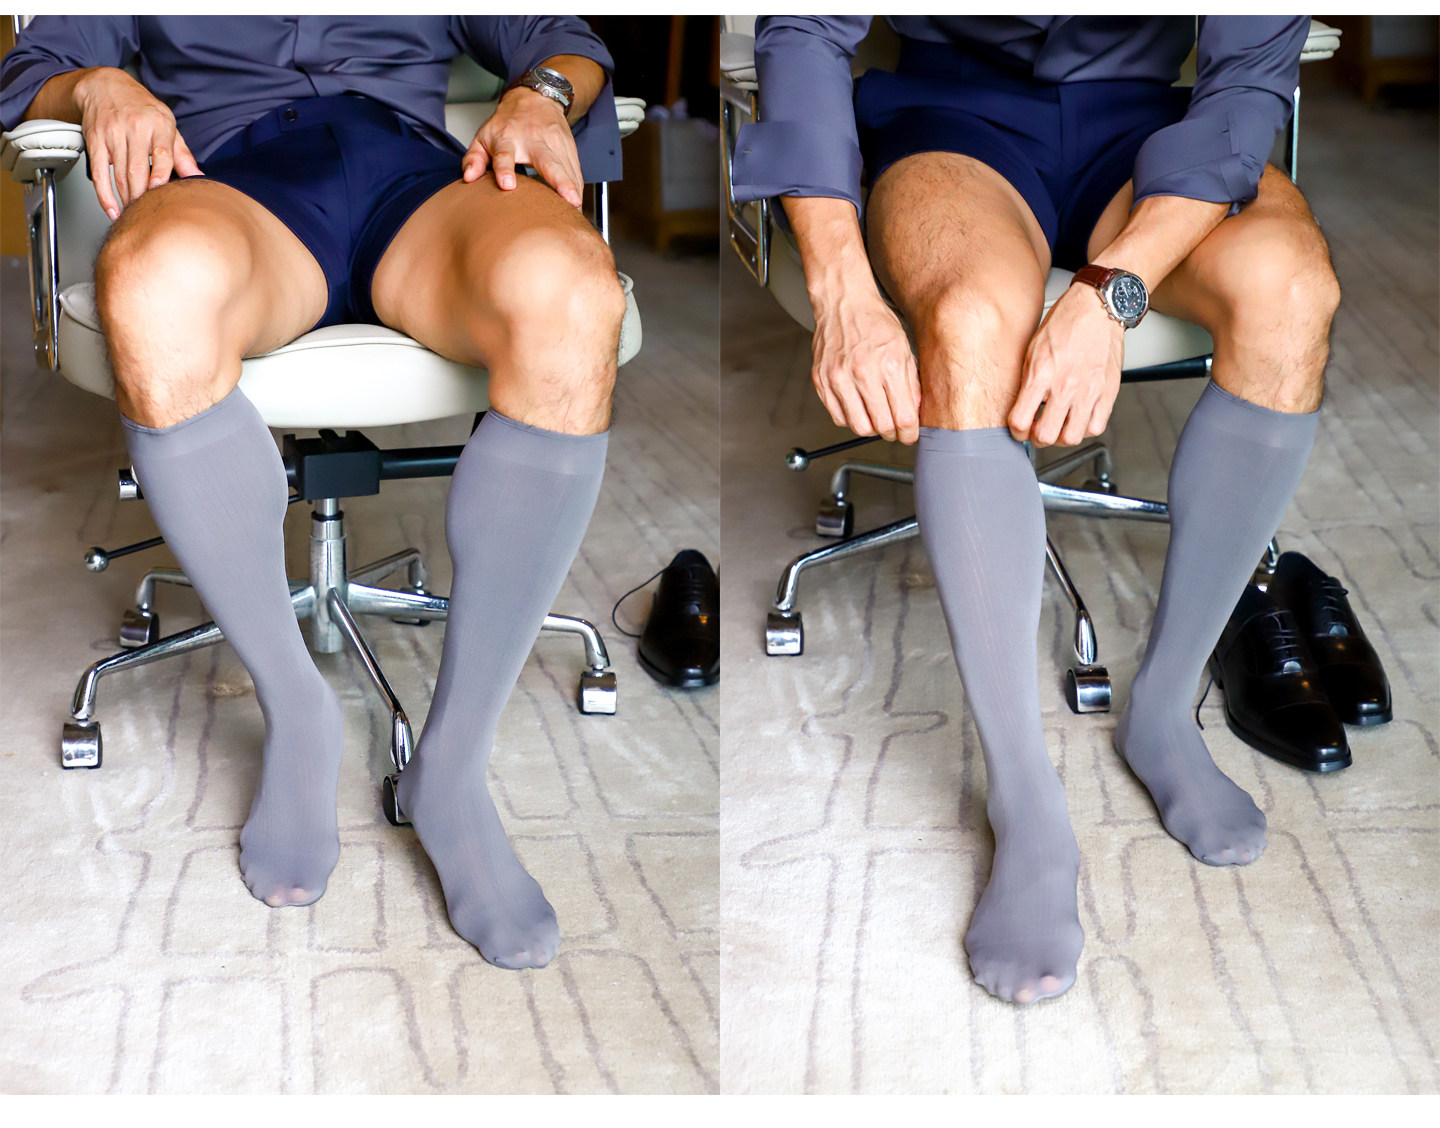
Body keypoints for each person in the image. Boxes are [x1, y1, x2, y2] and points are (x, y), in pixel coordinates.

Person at [1, 16, 628, 972]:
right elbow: (31, 70)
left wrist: (541, 93)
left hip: (423, 182)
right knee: (151, 280)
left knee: (574, 292)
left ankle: (452, 772)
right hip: (234, 186)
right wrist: (96, 87)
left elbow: (565, 39)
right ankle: (297, 712)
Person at [732, 16, 1337, 1005]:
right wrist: (840, 291)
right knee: (969, 322)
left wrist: (1108, 293)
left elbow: (1246, 77)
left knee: (1292, 287)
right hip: (952, 119)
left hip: (1155, 135)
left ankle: (1163, 713)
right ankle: (1024, 801)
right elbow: (802, 27)